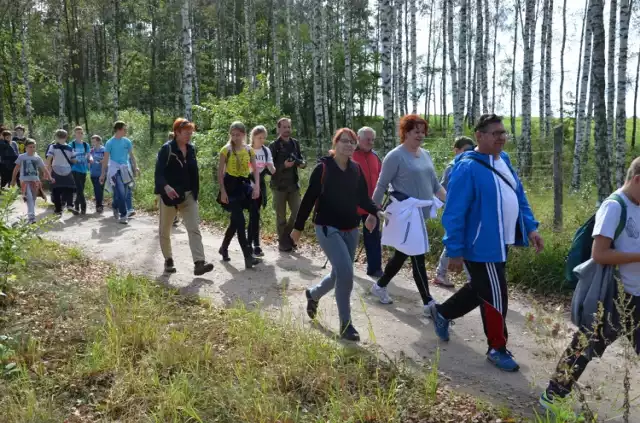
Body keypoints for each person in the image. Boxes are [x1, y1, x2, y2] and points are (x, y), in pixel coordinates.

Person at [429, 114, 543, 372]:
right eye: (495, 133)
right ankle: (497, 348)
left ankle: (443, 312)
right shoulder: (467, 167)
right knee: (496, 295)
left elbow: (519, 196)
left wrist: (531, 228)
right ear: (479, 136)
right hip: (479, 245)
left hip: (500, 241)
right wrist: (455, 250)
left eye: (503, 133)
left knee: (482, 288)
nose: (501, 137)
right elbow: (454, 212)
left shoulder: (504, 161)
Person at [540, 158, 640, 409]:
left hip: (638, 294)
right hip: (615, 295)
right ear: (638, 180)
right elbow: (600, 254)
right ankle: (551, 398)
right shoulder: (615, 207)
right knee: (584, 347)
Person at [291, 128, 383, 342]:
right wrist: (297, 228)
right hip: (327, 228)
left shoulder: (356, 169)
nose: (349, 145)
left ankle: (313, 294)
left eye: (352, 142)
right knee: (346, 273)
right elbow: (308, 200)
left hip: (351, 229)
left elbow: (362, 198)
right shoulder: (323, 168)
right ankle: (346, 324)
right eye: (345, 141)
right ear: (335, 143)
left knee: (338, 274)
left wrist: (376, 210)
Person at [369, 115, 447, 317]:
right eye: (416, 131)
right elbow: (381, 185)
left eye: (423, 131)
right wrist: (373, 212)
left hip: (420, 215)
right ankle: (428, 303)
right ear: (406, 133)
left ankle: (380, 285)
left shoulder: (426, 154)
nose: (420, 135)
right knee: (417, 256)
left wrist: (451, 203)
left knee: (403, 253)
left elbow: (435, 186)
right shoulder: (395, 156)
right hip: (404, 214)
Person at [155, 118, 215, 276]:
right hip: (169, 197)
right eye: (186, 133)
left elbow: (194, 173)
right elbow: (159, 173)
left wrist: (195, 193)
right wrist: (166, 187)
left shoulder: (192, 149)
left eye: (191, 133)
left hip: (188, 195)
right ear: (177, 133)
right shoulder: (166, 149)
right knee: (165, 230)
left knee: (194, 227)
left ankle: (199, 263)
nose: (189, 135)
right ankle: (168, 260)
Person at [217, 121, 262, 269]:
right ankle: (248, 257)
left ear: (243, 134)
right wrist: (223, 191)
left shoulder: (249, 150)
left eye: (238, 134)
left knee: (250, 214)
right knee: (240, 222)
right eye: (233, 134)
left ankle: (224, 247)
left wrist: (257, 186)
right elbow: (220, 174)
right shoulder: (226, 150)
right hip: (231, 188)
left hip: (244, 186)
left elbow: (255, 170)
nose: (235, 137)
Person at [434, 136, 476, 287]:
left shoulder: (470, 165)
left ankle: (441, 273)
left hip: (466, 210)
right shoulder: (452, 167)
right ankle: (473, 280)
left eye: (471, 150)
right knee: (462, 243)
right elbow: (442, 188)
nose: (468, 153)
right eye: (465, 150)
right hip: (455, 212)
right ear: (456, 150)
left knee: (455, 243)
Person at [269, 118, 306, 252]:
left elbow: (301, 158)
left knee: (298, 213)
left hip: (293, 185)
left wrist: (302, 163)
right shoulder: (273, 146)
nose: (287, 130)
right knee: (281, 217)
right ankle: (283, 243)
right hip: (279, 186)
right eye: (284, 127)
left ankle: (287, 239)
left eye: (289, 127)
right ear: (278, 129)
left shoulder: (295, 143)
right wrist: (283, 166)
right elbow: (269, 168)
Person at [352, 126, 383, 278]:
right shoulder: (350, 155)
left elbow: (383, 179)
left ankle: (375, 268)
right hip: (352, 205)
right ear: (358, 139)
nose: (370, 142)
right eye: (367, 139)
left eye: (372, 140)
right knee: (350, 236)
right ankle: (344, 265)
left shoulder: (376, 157)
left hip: (372, 205)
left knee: (374, 237)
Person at [99, 121, 140, 224]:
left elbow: (132, 156)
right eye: (124, 129)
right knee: (121, 192)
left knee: (123, 193)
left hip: (125, 170)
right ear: (118, 129)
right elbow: (105, 159)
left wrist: (136, 167)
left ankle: (115, 205)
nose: (126, 131)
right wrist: (103, 174)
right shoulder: (110, 143)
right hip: (114, 170)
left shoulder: (127, 141)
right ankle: (123, 215)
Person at [247, 125, 275, 257]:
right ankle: (248, 243)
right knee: (252, 215)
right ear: (253, 137)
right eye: (260, 138)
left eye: (264, 138)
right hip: (247, 184)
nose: (262, 140)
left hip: (260, 185)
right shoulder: (247, 150)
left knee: (256, 214)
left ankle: (255, 245)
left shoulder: (266, 151)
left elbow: (271, 168)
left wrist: (271, 167)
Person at [11, 139, 52, 223]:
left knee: (33, 199)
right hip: (24, 181)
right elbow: (16, 169)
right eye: (30, 147)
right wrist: (13, 180)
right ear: (26, 148)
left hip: (35, 181)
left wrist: (50, 177)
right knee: (29, 197)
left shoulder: (37, 158)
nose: (32, 148)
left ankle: (31, 213)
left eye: (34, 147)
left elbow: (44, 168)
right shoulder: (22, 157)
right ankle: (31, 217)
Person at [46, 129, 78, 215]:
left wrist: (47, 171)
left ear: (56, 137)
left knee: (56, 190)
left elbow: (48, 159)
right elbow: (74, 160)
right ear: (66, 137)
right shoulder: (70, 148)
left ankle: (58, 210)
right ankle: (70, 205)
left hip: (56, 169)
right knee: (69, 188)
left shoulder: (53, 147)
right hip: (67, 170)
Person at [69, 126, 93, 215]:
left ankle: (76, 204)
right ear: (74, 134)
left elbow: (89, 155)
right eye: (78, 132)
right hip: (75, 169)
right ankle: (83, 206)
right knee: (79, 188)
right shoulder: (71, 145)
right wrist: (72, 160)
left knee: (81, 188)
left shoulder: (85, 145)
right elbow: (68, 156)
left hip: (84, 169)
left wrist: (90, 159)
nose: (80, 134)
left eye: (81, 133)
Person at [89, 135, 106, 213]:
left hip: (102, 173)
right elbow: (89, 159)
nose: (93, 143)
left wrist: (103, 161)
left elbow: (107, 159)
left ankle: (99, 205)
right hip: (93, 173)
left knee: (99, 189)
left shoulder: (104, 149)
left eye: (94, 141)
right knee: (97, 189)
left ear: (99, 141)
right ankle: (99, 205)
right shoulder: (91, 151)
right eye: (92, 141)